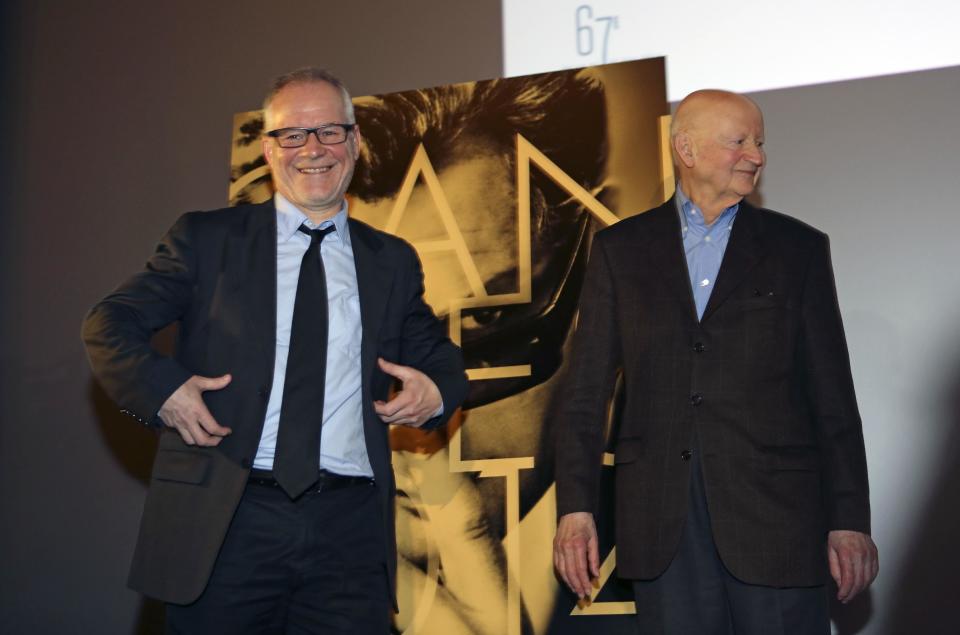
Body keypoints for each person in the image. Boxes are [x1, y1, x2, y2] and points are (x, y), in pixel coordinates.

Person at [82, 67, 468, 633]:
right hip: (227, 520)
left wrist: (436, 391)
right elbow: (108, 322)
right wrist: (165, 389)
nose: (313, 149)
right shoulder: (206, 240)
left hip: (349, 532)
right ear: (269, 149)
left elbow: (438, 357)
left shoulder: (391, 260)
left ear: (354, 143)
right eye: (293, 134)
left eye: (330, 132)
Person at [553, 89, 878, 634]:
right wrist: (575, 509)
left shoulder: (797, 249)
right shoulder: (620, 250)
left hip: (776, 523)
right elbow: (585, 393)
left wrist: (849, 521)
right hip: (662, 527)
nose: (757, 155)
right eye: (740, 141)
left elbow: (833, 398)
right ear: (687, 147)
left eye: (759, 142)